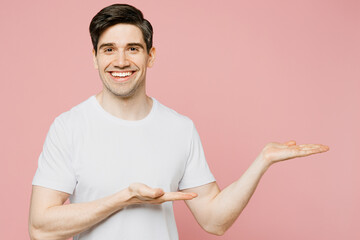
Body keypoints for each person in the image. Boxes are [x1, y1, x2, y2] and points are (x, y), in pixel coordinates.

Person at [28, 4, 329, 240]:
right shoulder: (69, 127)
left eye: (133, 48)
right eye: (109, 50)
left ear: (151, 56)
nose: (121, 61)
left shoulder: (179, 128)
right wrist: (124, 198)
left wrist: (262, 161)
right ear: (95, 58)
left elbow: (214, 221)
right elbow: (40, 228)